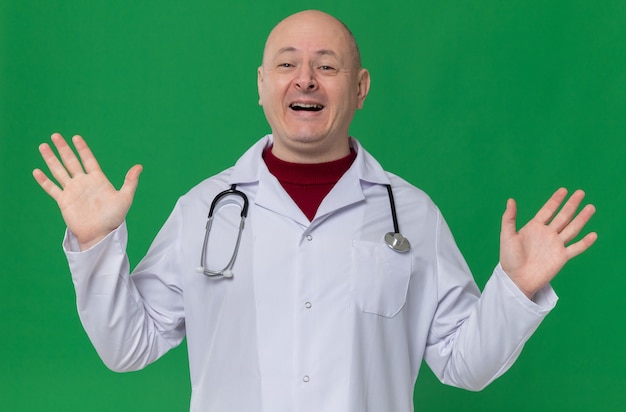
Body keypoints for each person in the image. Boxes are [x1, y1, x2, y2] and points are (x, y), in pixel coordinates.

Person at [33, 9, 597, 412]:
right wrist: (97, 245)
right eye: (286, 64)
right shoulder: (204, 208)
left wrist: (515, 289)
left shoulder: (412, 215)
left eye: (326, 66)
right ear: (261, 85)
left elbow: (464, 365)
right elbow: (129, 346)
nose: (305, 79)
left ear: (360, 87)